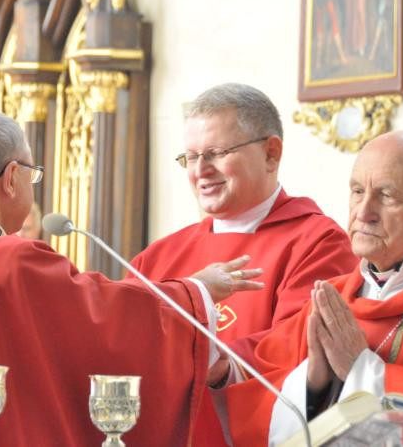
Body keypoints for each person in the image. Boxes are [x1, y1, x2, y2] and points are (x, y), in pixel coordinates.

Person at [0, 109, 264, 446]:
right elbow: (106, 321)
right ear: (11, 178)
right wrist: (196, 293)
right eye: (33, 174)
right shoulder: (8, 262)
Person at [131, 83, 357, 445]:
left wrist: (220, 364)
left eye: (217, 153)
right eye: (191, 157)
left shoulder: (318, 243)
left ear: (271, 153)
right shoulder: (158, 256)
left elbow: (302, 352)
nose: (201, 170)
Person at [218, 131, 403, 444]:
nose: (363, 213)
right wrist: (315, 383)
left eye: (387, 196)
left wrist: (361, 369)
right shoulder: (333, 297)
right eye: (357, 191)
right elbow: (256, 382)